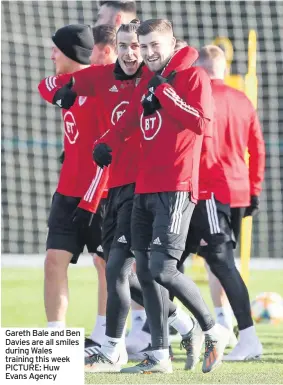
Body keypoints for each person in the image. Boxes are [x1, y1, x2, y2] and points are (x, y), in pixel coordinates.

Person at [91, 18, 230, 374]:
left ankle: (213, 330)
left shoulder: (192, 77)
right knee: (147, 273)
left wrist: (165, 95)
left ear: (171, 44)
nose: (149, 52)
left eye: (156, 45)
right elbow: (130, 120)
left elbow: (201, 122)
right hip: (144, 188)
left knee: (163, 269)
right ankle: (159, 355)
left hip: (177, 186)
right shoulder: (152, 81)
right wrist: (105, 143)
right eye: (145, 45)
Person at [197, 45, 265, 361]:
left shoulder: (201, 97)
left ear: (200, 66)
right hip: (237, 189)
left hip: (209, 189)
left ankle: (224, 325)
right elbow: (258, 148)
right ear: (224, 67)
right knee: (218, 259)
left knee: (216, 259)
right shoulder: (243, 99)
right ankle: (220, 323)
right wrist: (254, 189)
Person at [38, 24, 106, 331]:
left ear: (71, 53)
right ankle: (56, 337)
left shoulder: (101, 87)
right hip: (67, 192)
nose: (52, 55)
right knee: (53, 261)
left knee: (107, 267)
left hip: (102, 195)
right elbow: (44, 85)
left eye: (56, 50)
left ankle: (106, 335)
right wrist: (60, 96)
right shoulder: (64, 85)